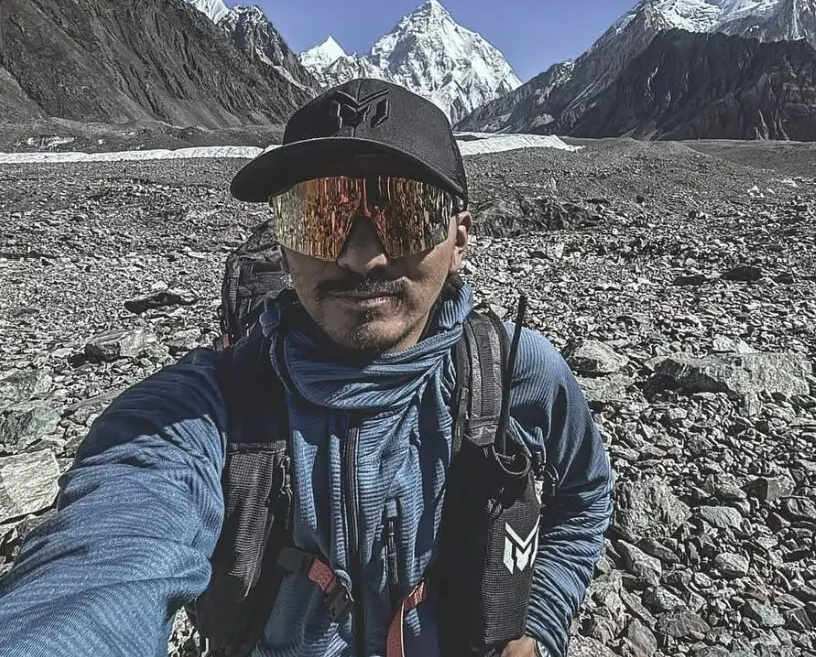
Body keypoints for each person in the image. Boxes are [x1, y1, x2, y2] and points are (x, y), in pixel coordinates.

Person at [0, 79, 613, 657]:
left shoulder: (514, 371)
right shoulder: (203, 409)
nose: (360, 254)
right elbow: (102, 563)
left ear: (459, 239)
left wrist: (536, 622)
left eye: (404, 215)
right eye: (322, 217)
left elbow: (583, 494)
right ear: (282, 239)